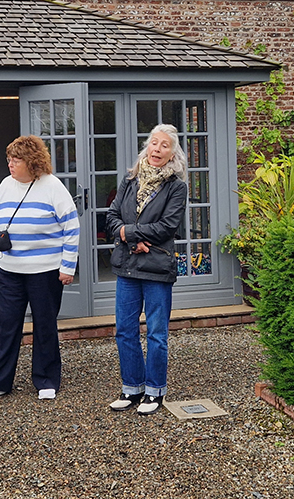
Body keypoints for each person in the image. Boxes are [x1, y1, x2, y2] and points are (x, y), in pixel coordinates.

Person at [0, 135, 80, 402]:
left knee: (44, 325)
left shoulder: (53, 186)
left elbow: (71, 227)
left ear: (32, 162)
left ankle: (46, 379)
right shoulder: (5, 186)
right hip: (10, 270)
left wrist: (68, 267)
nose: (10, 164)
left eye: (16, 160)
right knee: (6, 326)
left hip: (46, 272)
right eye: (9, 159)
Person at [105, 124, 188, 416]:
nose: (157, 149)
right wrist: (131, 237)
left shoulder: (177, 187)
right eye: (154, 143)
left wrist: (131, 235)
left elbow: (167, 226)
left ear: (172, 153)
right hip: (128, 266)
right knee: (125, 331)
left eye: (165, 145)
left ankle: (154, 392)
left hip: (156, 269)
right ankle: (132, 387)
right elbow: (112, 217)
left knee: (156, 333)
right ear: (147, 147)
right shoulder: (130, 181)